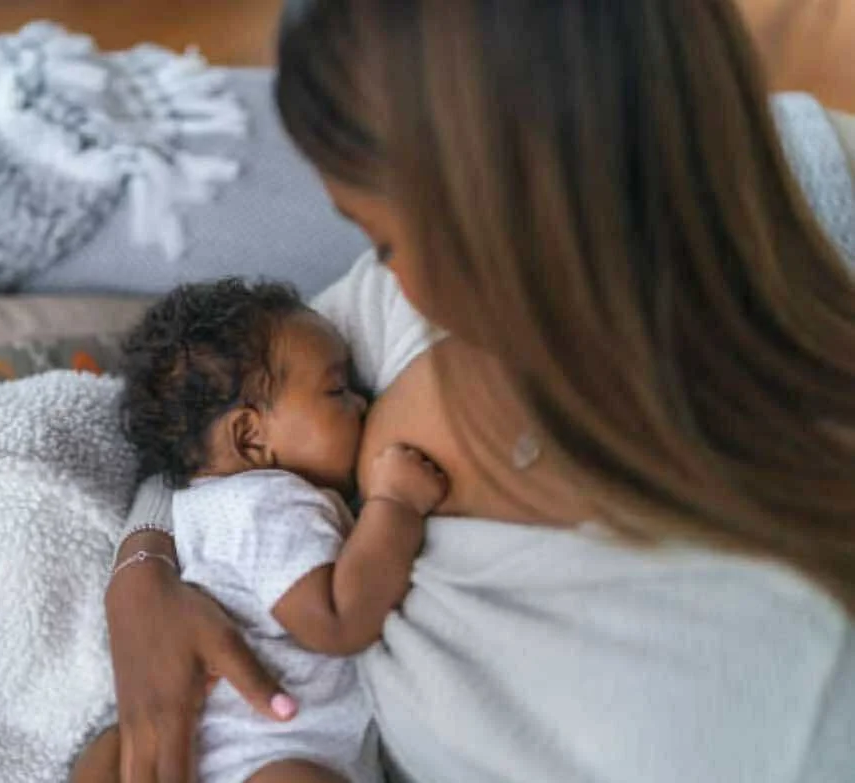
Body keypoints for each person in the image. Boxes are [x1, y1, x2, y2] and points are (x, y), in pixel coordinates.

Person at [102, 1, 855, 782]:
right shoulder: (398, 321)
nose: (386, 274)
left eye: (388, 241)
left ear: (500, 212)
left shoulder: (770, 694)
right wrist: (142, 570)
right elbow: (207, 416)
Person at [74, 279, 445, 783]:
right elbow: (337, 620)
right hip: (276, 752)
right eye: (337, 391)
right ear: (250, 437)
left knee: (105, 756)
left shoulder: (199, 506)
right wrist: (395, 505)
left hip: (191, 751)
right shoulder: (269, 504)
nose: (361, 403)